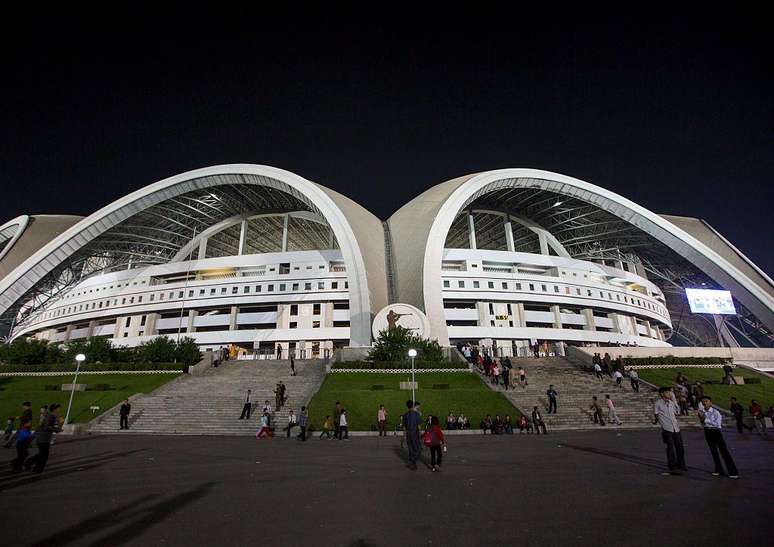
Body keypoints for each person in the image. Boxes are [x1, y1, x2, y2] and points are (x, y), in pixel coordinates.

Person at [697, 396, 739, 478]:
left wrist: (704, 419)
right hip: (707, 431)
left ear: (710, 402)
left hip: (715, 431)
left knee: (723, 451)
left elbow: (717, 424)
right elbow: (703, 424)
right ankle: (719, 469)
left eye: (706, 401)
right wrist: (702, 419)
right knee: (713, 452)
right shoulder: (702, 412)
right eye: (703, 402)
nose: (704, 403)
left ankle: (733, 472)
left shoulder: (715, 412)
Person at [653, 387, 686, 475]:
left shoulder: (671, 402)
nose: (669, 394)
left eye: (669, 392)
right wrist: (661, 422)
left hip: (676, 428)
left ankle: (681, 464)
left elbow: (678, 412)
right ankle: (672, 465)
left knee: (680, 447)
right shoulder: (658, 403)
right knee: (670, 447)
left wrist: (674, 400)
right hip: (667, 428)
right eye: (667, 392)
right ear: (662, 394)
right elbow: (656, 414)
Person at [24, 403, 61, 473]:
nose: (59, 410)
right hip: (43, 438)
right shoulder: (50, 416)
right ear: (55, 409)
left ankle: (32, 465)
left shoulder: (50, 415)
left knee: (43, 454)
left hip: (43, 437)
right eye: (58, 408)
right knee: (44, 455)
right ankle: (34, 467)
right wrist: (57, 430)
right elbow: (47, 427)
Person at [403, 400, 422, 469]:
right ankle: (413, 461)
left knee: (410, 448)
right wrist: (420, 433)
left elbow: (404, 427)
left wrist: (404, 436)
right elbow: (419, 425)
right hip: (415, 433)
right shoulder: (417, 414)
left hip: (408, 433)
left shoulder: (405, 415)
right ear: (413, 405)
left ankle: (412, 462)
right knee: (418, 448)